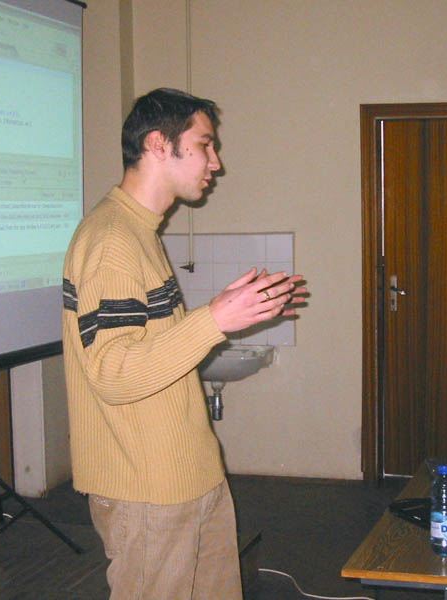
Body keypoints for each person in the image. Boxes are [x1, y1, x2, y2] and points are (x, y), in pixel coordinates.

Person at [61, 88, 306, 600]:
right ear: (158, 144)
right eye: (205, 145)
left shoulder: (140, 231)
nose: (216, 163)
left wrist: (230, 313)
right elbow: (113, 373)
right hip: (147, 490)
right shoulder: (111, 240)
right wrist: (215, 319)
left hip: (189, 475)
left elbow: (156, 346)